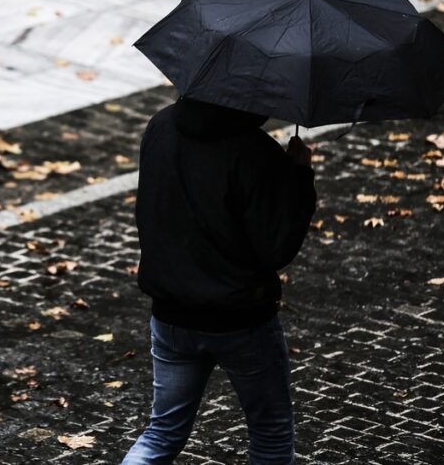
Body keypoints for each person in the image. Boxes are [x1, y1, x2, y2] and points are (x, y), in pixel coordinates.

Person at [121, 96, 316, 465]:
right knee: (271, 435)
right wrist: (299, 178)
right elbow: (277, 248)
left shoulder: (161, 126)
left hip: (171, 313)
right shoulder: (256, 152)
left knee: (161, 432)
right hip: (240, 320)